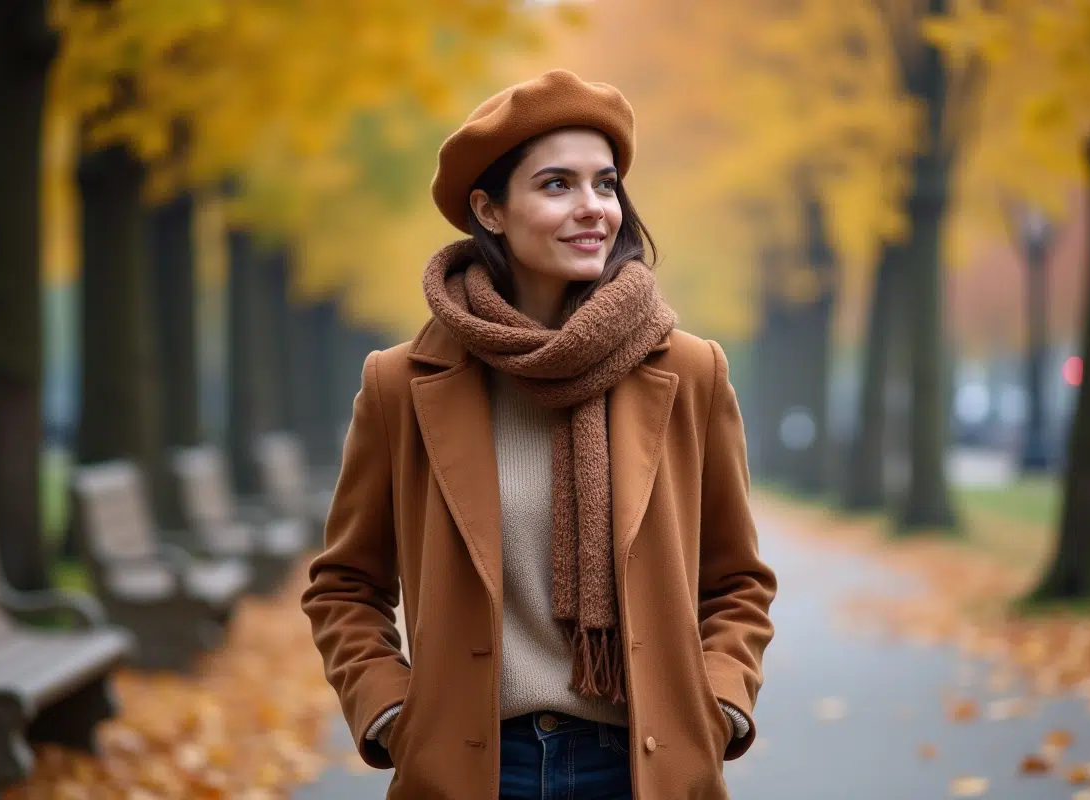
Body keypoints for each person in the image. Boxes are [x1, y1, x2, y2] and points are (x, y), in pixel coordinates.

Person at [302, 69, 777, 800]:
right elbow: (345, 584)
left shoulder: (688, 371)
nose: (594, 209)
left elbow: (737, 580)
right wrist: (392, 712)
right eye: (557, 185)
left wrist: (718, 705)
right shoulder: (402, 384)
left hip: (645, 769)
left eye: (606, 184)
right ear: (489, 211)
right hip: (475, 770)